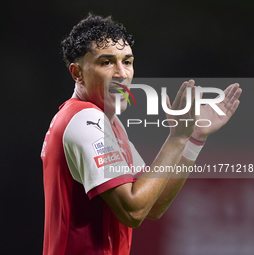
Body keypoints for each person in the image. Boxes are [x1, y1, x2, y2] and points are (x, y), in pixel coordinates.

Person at [41, 13, 242, 255]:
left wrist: (194, 139)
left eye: (127, 61)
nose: (122, 73)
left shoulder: (109, 123)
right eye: (106, 62)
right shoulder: (85, 120)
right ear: (77, 73)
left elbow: (153, 205)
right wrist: (176, 138)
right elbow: (133, 211)